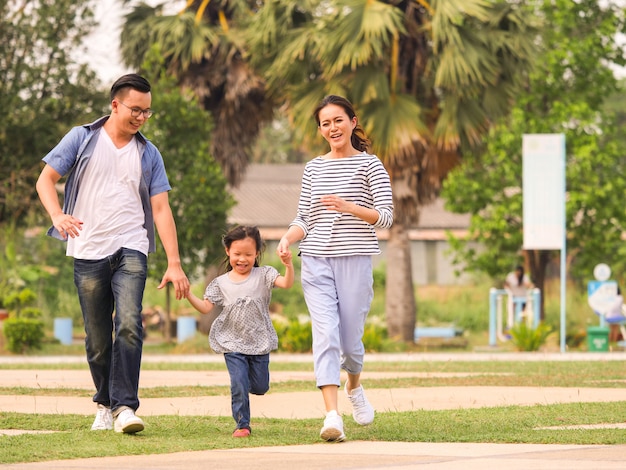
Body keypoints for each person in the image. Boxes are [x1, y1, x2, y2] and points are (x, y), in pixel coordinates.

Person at [36, 73, 189, 434]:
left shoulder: (149, 153)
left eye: (147, 112)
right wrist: (57, 215)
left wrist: (175, 262)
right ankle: (104, 403)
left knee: (131, 323)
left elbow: (162, 209)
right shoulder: (82, 137)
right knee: (97, 338)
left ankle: (125, 407)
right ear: (115, 104)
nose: (140, 117)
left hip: (131, 245)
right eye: (135, 110)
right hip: (88, 249)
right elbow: (46, 179)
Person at [276, 95, 393, 442]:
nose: (332, 128)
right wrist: (288, 237)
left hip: (354, 260)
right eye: (325, 123)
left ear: (353, 122)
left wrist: (348, 206)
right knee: (325, 334)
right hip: (315, 259)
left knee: (352, 344)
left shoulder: (371, 165)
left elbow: (385, 217)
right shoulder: (314, 167)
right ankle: (332, 415)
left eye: (338, 120)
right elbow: (304, 217)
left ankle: (354, 386)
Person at [184, 225, 294, 438]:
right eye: (237, 254)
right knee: (238, 383)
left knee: (261, 386)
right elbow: (206, 307)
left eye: (248, 254)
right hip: (232, 342)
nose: (242, 259)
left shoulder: (265, 275)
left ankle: (248, 387)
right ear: (228, 251)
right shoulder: (221, 283)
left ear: (257, 254)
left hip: (259, 340)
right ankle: (242, 424)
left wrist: (288, 265)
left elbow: (287, 284)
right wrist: (189, 294)